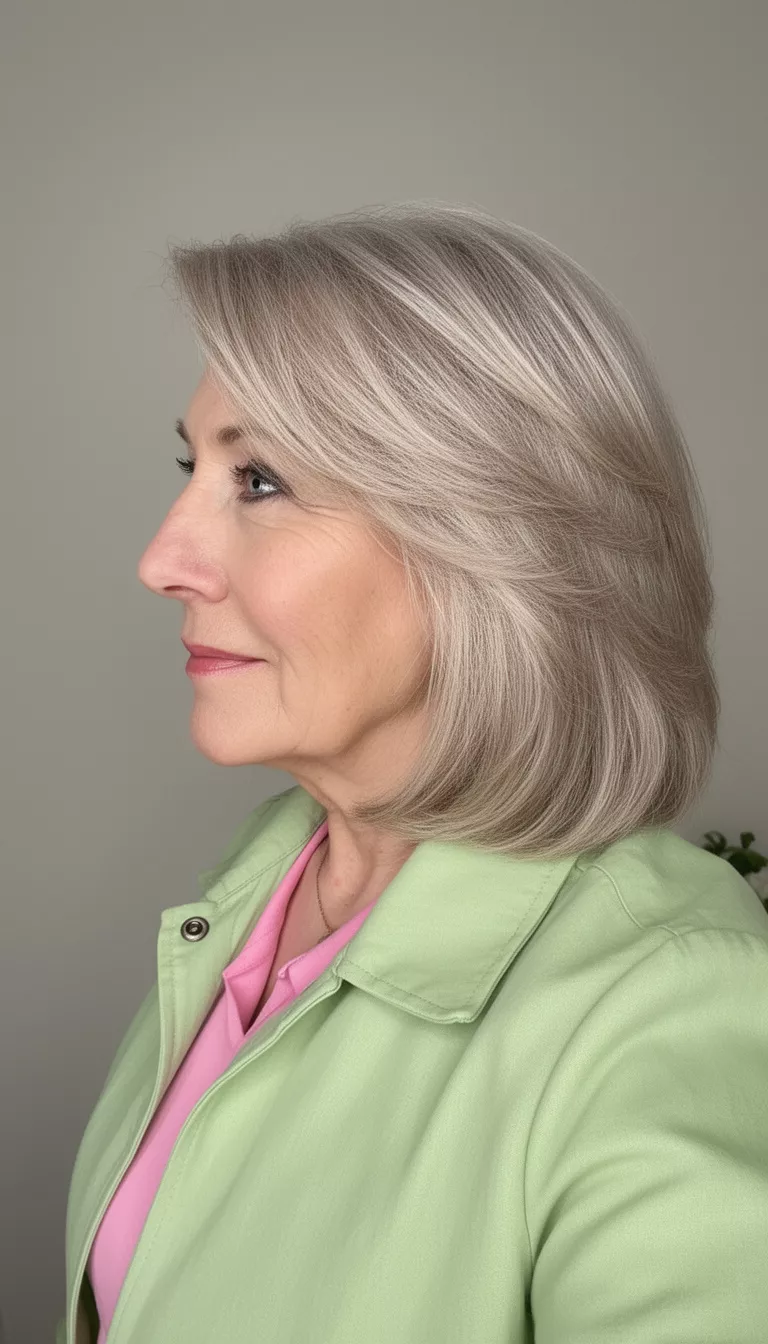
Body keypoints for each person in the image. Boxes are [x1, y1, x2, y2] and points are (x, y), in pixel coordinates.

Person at [57, 202, 768, 1344]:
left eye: (260, 480)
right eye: (195, 466)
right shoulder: (263, 884)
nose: (162, 559)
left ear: (491, 540)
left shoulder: (665, 1004)